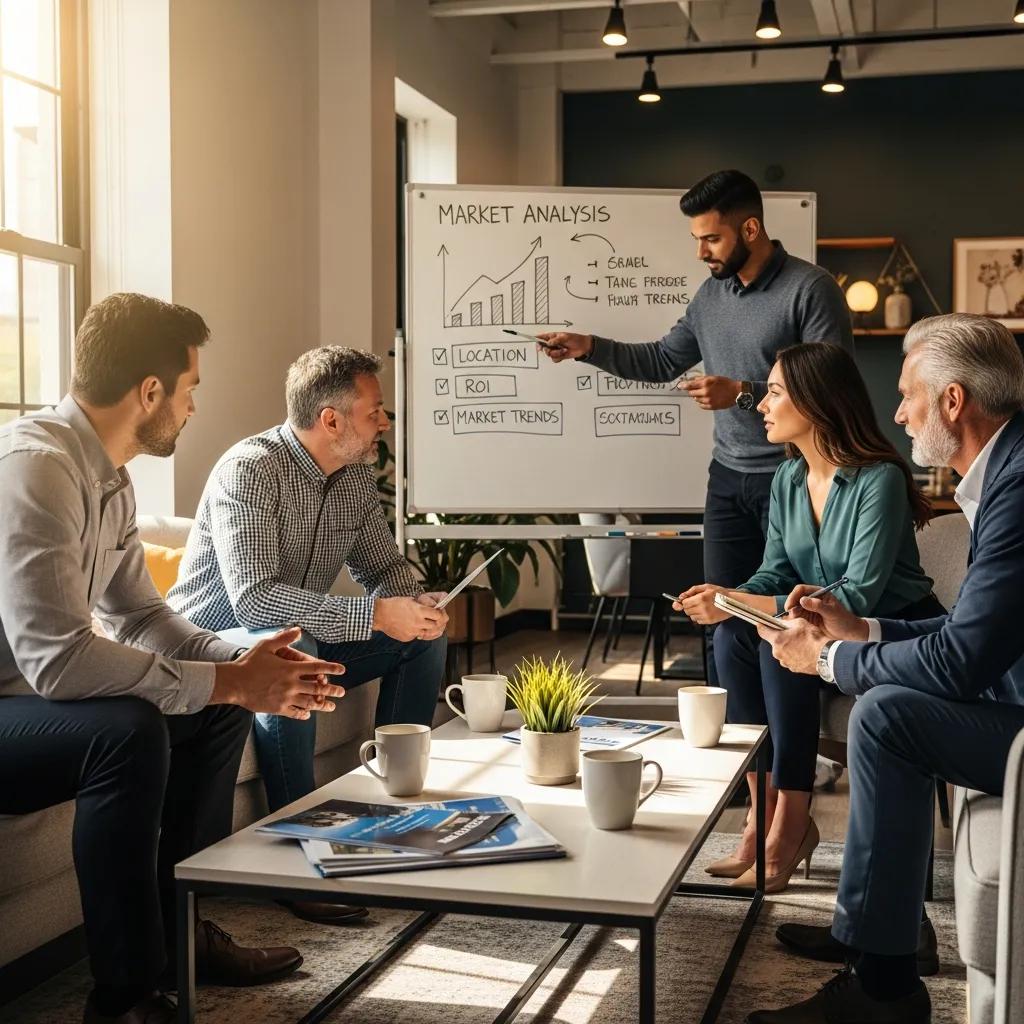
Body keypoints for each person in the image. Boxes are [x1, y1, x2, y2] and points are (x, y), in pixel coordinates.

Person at [0, 293, 348, 1024]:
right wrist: (226, 679)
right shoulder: (37, 469)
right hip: (11, 705)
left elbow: (141, 614)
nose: (192, 408)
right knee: (127, 731)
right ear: (149, 391)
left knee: (216, 713)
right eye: (190, 390)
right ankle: (125, 997)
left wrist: (246, 669)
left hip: (28, 700)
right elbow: (58, 664)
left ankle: (179, 936)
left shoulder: (108, 477)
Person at [747, 313, 1024, 1024]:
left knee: (887, 715)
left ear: (953, 402)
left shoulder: (1017, 488)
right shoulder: (1005, 474)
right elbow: (977, 634)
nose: (897, 411)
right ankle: (881, 963)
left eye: (909, 395)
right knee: (881, 703)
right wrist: (860, 628)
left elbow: (964, 660)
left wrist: (833, 657)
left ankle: (884, 986)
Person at [539, 168, 853, 683]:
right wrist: (588, 347)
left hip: (797, 480)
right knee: (723, 619)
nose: (701, 252)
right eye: (697, 239)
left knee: (792, 620)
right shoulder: (710, 297)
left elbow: (833, 390)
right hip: (728, 480)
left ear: (750, 230)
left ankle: (792, 757)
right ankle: (741, 753)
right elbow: (663, 359)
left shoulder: (811, 290)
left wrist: (743, 393)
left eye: (711, 238)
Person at [168, 346, 448, 924]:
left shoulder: (353, 477)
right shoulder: (250, 470)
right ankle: (303, 858)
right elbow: (254, 599)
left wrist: (413, 603)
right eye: (376, 411)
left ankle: (396, 810)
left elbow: (383, 566)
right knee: (296, 649)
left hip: (295, 628)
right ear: (331, 420)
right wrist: (374, 616)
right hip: (213, 638)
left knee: (422, 639)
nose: (385, 422)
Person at [672, 343, 942, 895]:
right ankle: (760, 818)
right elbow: (773, 574)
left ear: (816, 402)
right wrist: (726, 597)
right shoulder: (788, 480)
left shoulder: (878, 479)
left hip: (888, 630)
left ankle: (791, 824)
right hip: (817, 623)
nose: (762, 405)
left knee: (780, 639)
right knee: (733, 636)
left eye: (773, 392)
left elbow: (858, 594)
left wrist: (747, 605)